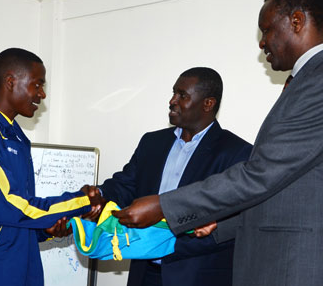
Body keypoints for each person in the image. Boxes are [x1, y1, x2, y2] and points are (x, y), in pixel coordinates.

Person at [112, 0, 323, 286]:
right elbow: (287, 186)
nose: (262, 43)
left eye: (266, 30)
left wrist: (165, 205)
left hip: (307, 266)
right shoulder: (315, 80)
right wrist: (222, 223)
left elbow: (261, 175)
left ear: (296, 21)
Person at [95, 67, 252, 286]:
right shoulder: (152, 143)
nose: (172, 101)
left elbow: (231, 225)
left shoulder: (236, 152)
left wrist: (160, 242)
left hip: (196, 276)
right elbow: (125, 185)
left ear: (208, 103)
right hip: (144, 274)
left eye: (182, 95)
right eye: (173, 93)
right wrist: (98, 195)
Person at [0, 48, 100, 286]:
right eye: (37, 85)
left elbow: (20, 209)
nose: (42, 94)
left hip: (22, 268)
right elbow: (6, 204)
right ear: (10, 81)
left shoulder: (16, 136)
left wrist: (44, 231)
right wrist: (81, 200)